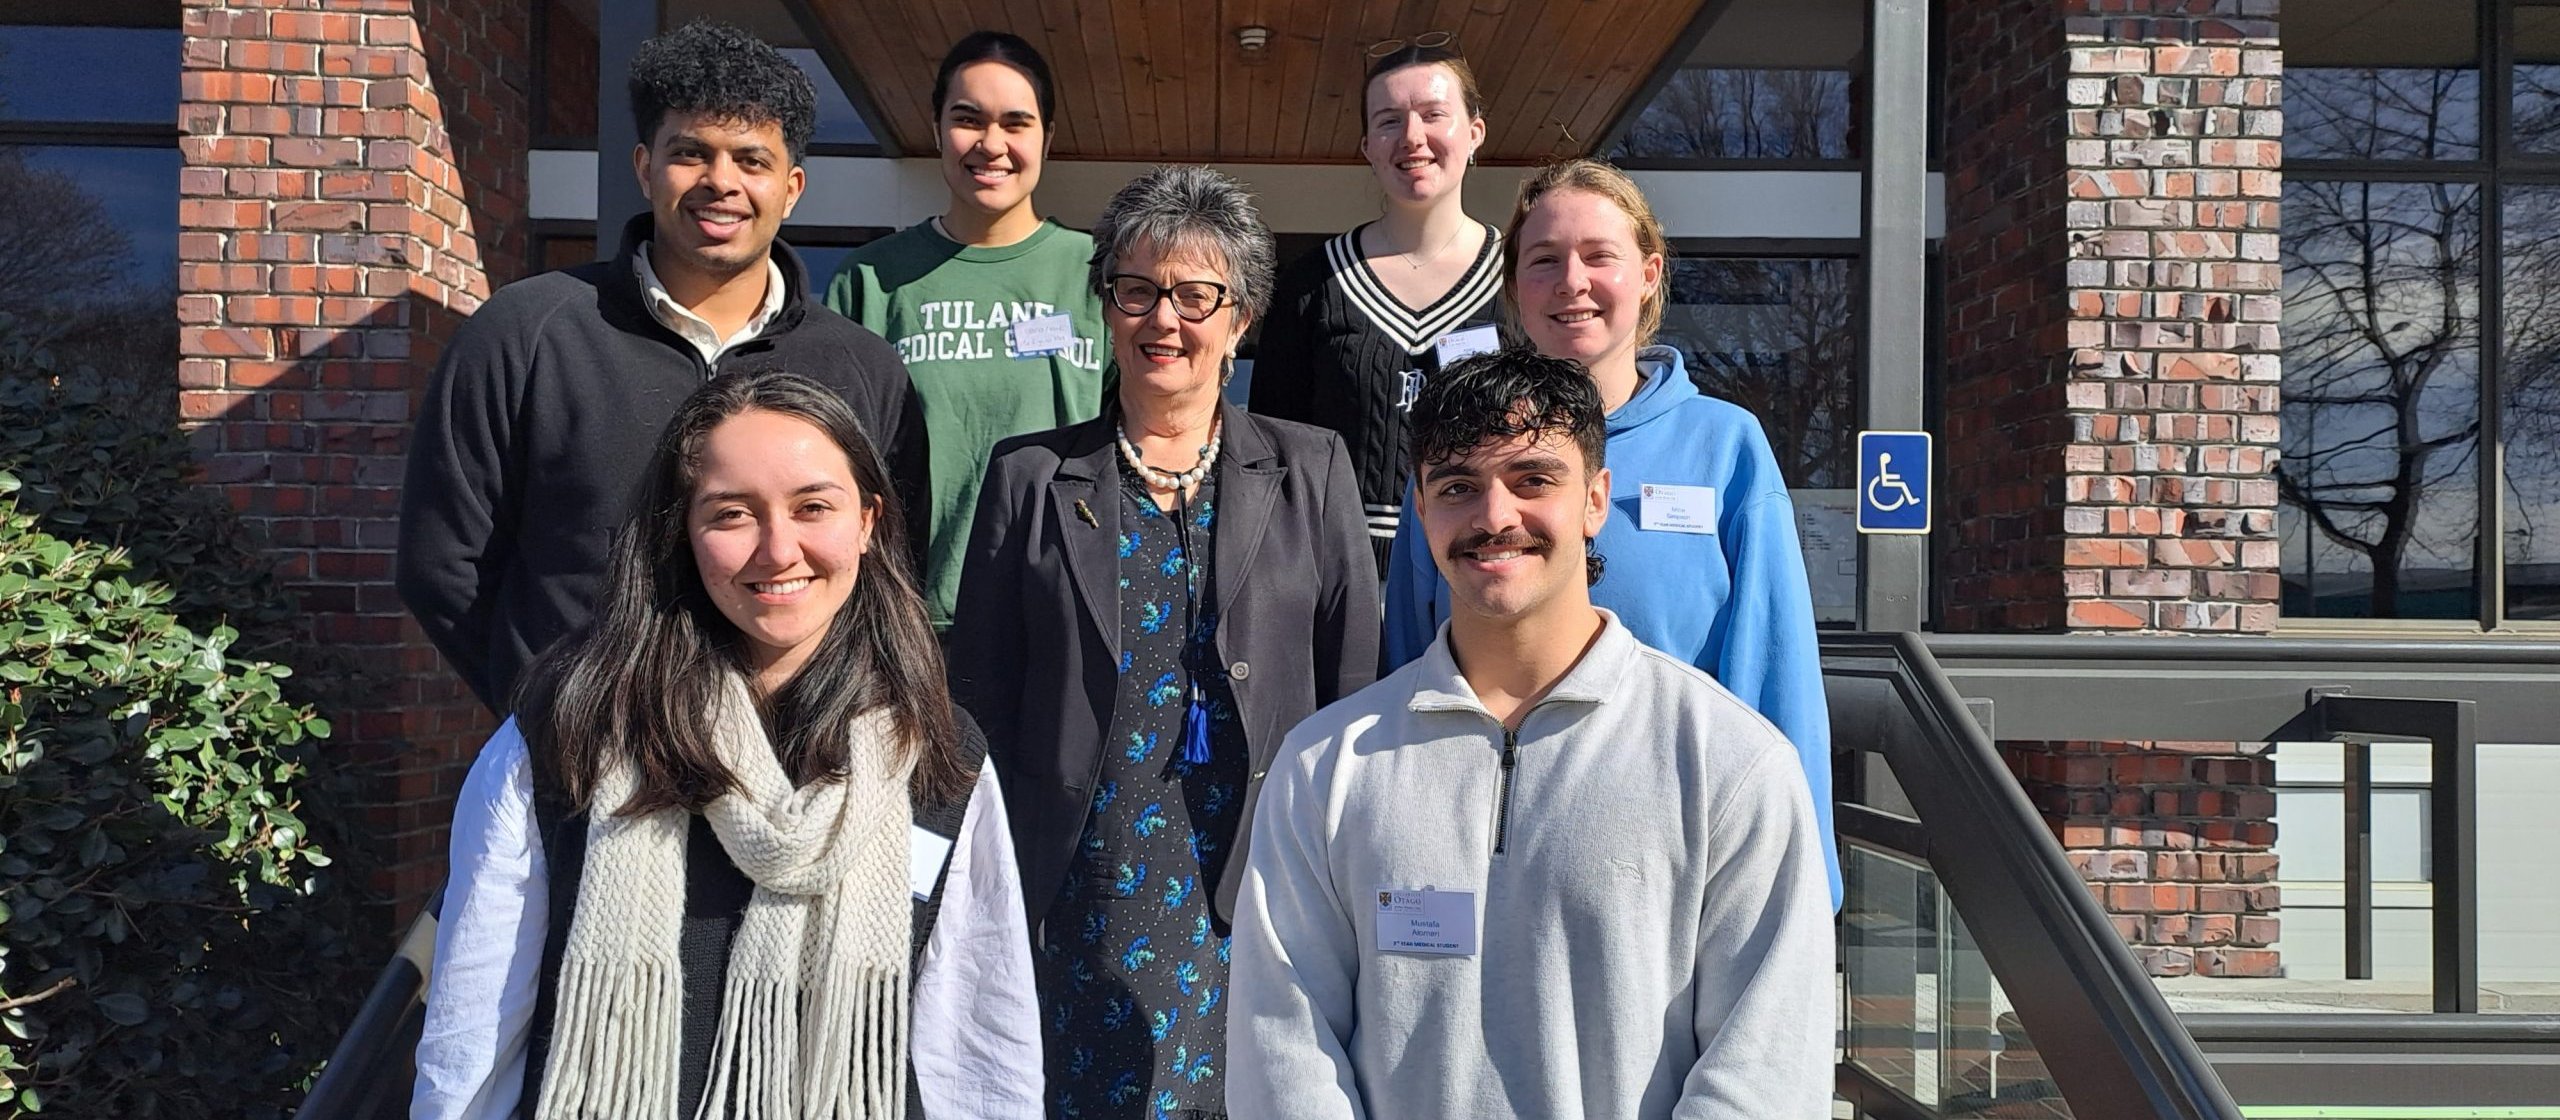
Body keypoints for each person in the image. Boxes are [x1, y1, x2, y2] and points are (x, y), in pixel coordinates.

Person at [411, 372, 1039, 1120]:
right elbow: (474, 1026)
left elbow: (977, 1034)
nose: (778, 550)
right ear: (680, 529)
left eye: (813, 507)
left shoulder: (937, 754)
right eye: (732, 514)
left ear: (868, 521)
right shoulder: (567, 732)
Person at [1227, 348, 1834, 1119]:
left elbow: (1765, 1070)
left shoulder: (1729, 766)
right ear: (1420, 509)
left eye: (1533, 479)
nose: (1494, 516)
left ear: (1596, 498)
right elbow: (1283, 1049)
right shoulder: (1324, 766)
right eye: (1458, 486)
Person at [944, 166, 1380, 1119]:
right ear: (1108, 306)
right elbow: (977, 695)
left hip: (1259, 876)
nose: (1163, 320)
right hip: (1083, 881)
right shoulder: (1030, 476)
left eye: (1195, 296)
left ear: (1243, 316)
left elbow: (1354, 684)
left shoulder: (1312, 467)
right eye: (1136, 291)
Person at [399, 20, 921, 715]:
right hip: (585, 768)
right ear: (645, 166)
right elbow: (442, 564)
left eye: (751, 160)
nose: (721, 182)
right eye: (691, 154)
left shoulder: (863, 369)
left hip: (797, 767)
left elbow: (884, 569)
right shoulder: (525, 333)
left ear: (791, 187)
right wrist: (551, 713)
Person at [1381, 158, 1840, 905]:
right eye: (1544, 260)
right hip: (1480, 846)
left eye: (1600, 256)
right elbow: (1408, 647)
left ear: (1650, 274)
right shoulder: (1455, 449)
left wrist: (1803, 885)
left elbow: (1774, 671)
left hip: (1669, 854)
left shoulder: (1723, 448)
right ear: (1515, 286)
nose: (1572, 281)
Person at [826, 31, 1107, 633]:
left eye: (1016, 123)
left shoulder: (1097, 275)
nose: (992, 144)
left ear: (1047, 138)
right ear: (936, 131)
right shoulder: (872, 282)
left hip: (1064, 607)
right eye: (968, 119)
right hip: (907, 616)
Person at [1249, 37, 1514, 574]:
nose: (1412, 138)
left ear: (1475, 134)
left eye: (1433, 115)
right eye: (1390, 121)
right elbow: (1270, 451)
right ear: (1368, 145)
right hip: (1333, 574)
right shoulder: (1312, 285)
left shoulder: (1519, 282)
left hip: (1484, 567)